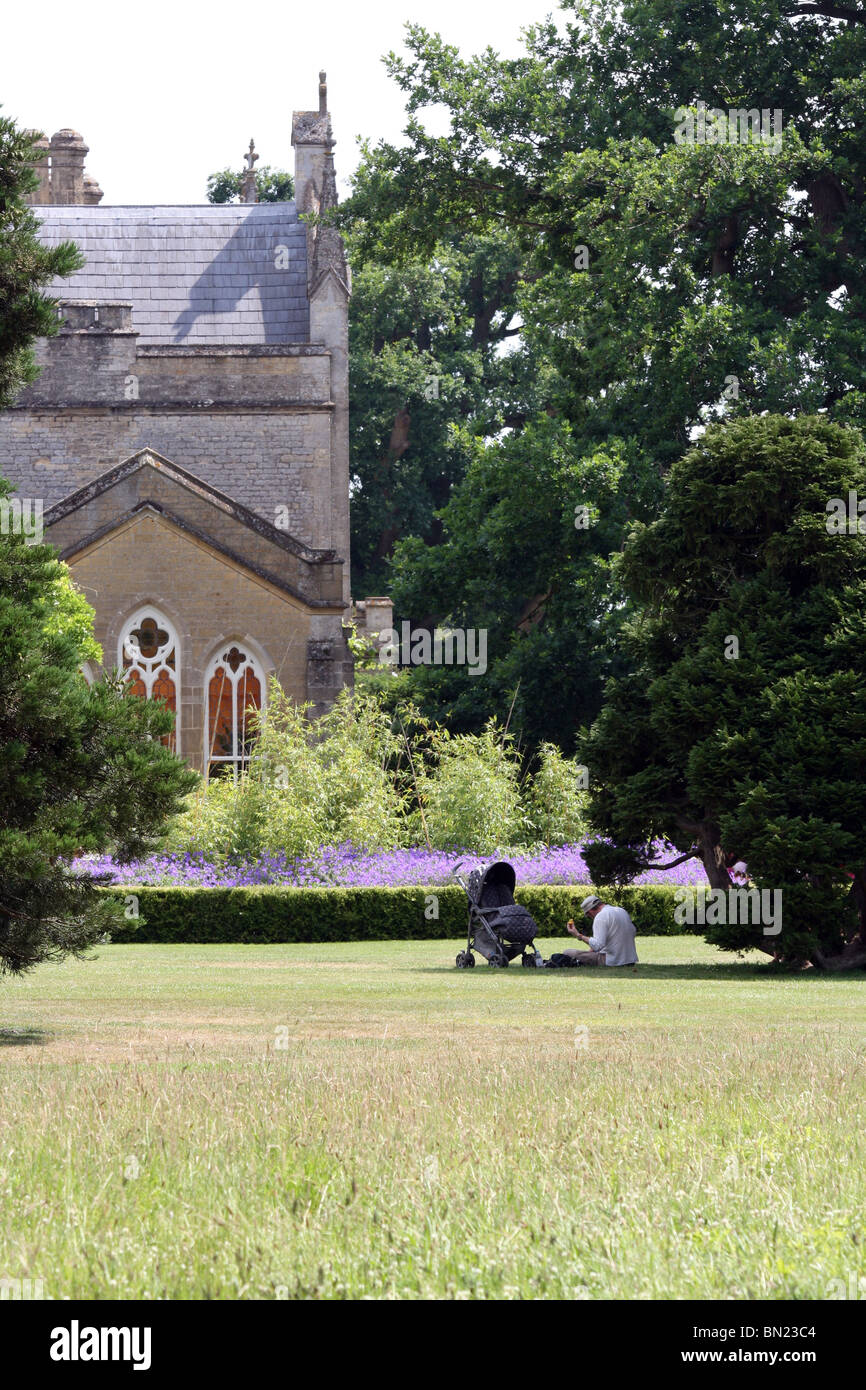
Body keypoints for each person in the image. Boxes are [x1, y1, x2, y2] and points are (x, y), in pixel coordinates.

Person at [562, 894, 638, 967]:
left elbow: (598, 945)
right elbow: (632, 931)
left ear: (590, 911)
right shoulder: (621, 911)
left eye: (588, 915)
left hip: (612, 961)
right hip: (630, 960)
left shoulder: (600, 916)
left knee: (567, 952)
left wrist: (579, 935)